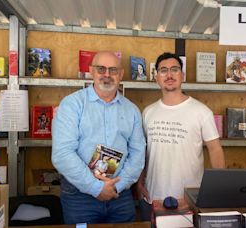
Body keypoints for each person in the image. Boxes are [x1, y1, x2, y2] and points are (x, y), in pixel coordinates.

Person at [52, 51, 146, 224]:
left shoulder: (132, 110)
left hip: (120, 196)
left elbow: (138, 154)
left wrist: (114, 186)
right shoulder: (72, 105)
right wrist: (96, 188)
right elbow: (62, 154)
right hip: (79, 198)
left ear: (121, 74)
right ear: (91, 72)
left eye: (113, 70)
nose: (107, 75)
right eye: (101, 69)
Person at [137, 52, 226, 220]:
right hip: (152, 197)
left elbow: (215, 149)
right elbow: (144, 151)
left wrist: (218, 189)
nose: (169, 75)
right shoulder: (148, 112)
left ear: (182, 75)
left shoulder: (201, 111)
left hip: (190, 200)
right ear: (157, 77)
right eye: (163, 70)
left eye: (174, 69)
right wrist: (140, 182)